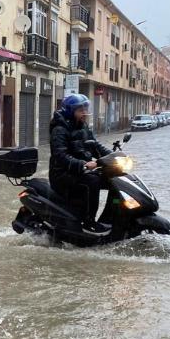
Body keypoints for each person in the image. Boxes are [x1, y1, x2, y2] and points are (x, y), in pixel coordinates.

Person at [49, 94, 113, 235]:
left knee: (113, 179)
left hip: (79, 171)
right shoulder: (59, 130)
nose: (84, 113)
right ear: (70, 111)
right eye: (80, 110)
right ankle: (88, 222)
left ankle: (111, 218)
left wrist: (112, 156)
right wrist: (83, 164)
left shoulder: (83, 126)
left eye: (85, 109)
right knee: (93, 181)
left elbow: (95, 145)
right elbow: (60, 156)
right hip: (62, 175)